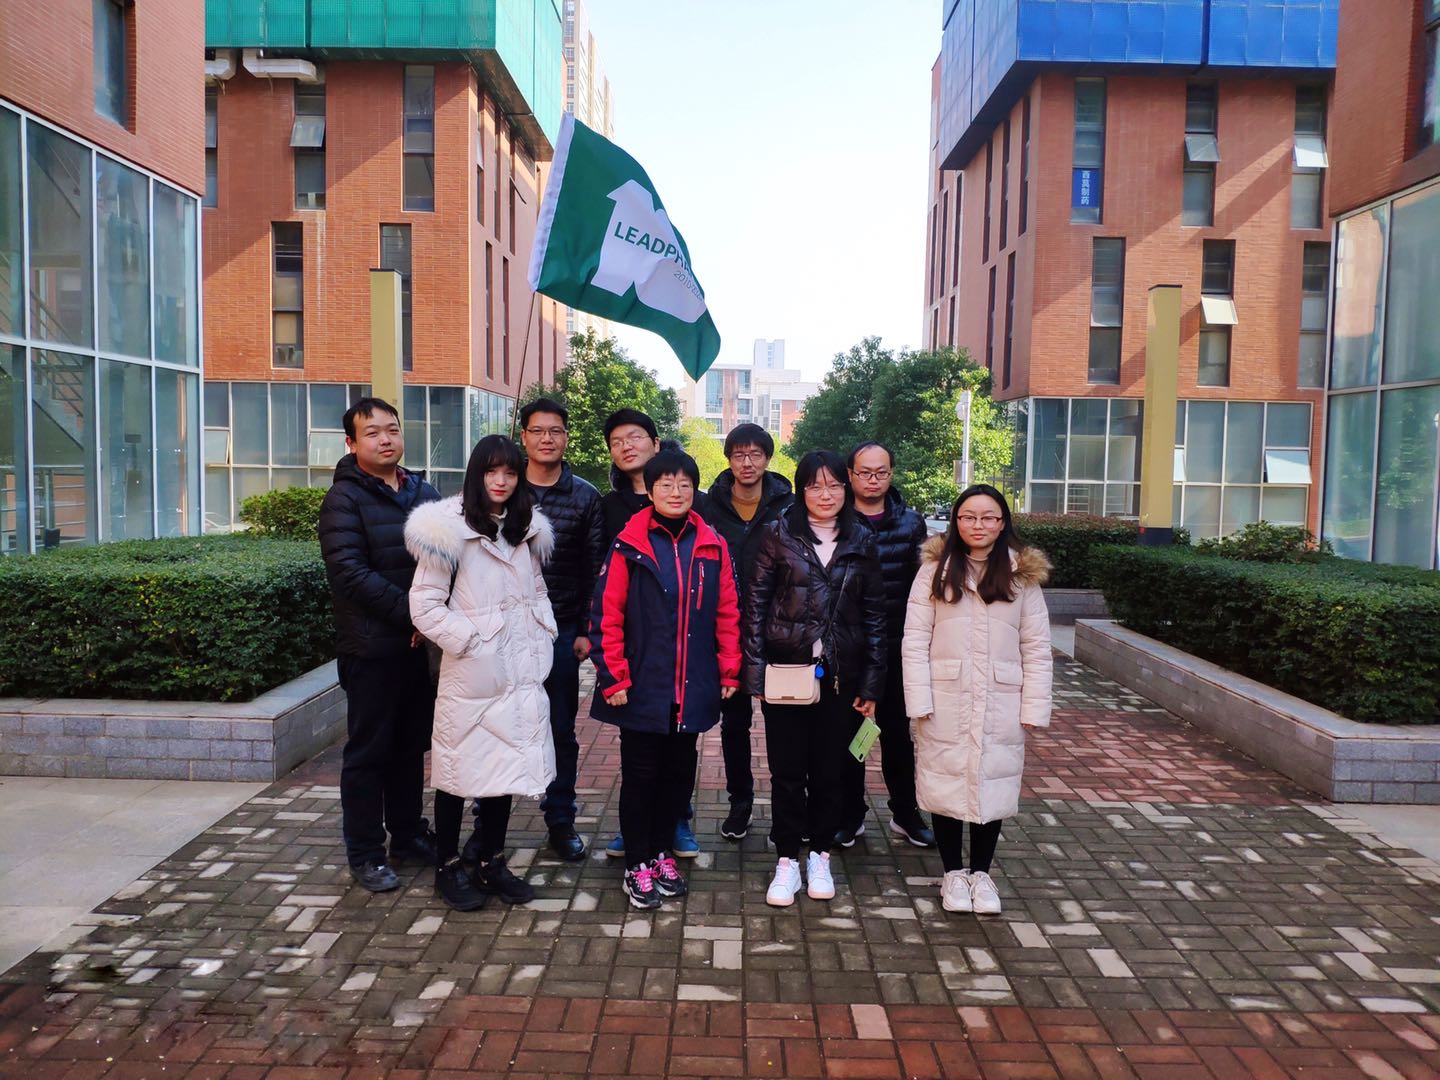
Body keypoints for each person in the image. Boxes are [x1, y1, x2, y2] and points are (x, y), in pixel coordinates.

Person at [405, 436, 557, 910]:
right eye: (492, 471)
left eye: (510, 473)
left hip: (518, 673)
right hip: (471, 677)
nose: (501, 481)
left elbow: (537, 591)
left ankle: (491, 861)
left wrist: (544, 632)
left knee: (503, 770)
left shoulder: (523, 528)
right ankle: (448, 866)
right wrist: (472, 642)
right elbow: (424, 606)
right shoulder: (447, 530)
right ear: (477, 474)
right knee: (457, 773)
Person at [589, 449, 742, 910]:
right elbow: (606, 615)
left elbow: (727, 612)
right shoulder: (629, 544)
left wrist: (729, 667)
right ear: (650, 491)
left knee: (677, 776)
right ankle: (636, 862)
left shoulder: (712, 545)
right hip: (641, 684)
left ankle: (660, 854)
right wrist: (613, 676)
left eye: (684, 484)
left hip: (692, 684)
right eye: (666, 484)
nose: (676, 492)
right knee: (640, 777)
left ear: (695, 490)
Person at [742, 450, 885, 907]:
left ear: (846, 488)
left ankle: (820, 855)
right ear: (801, 490)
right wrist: (755, 674)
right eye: (815, 486)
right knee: (786, 772)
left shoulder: (862, 539)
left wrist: (871, 684)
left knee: (830, 771)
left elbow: (875, 616)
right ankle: (787, 860)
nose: (826, 495)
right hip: (788, 672)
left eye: (834, 486)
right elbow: (755, 606)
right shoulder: (778, 534)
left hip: (841, 677)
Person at [901, 484, 1053, 916]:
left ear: (1002, 523)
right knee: (946, 782)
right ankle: (953, 873)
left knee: (993, 782)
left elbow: (1037, 646)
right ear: (956, 521)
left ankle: (982, 874)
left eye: (988, 517)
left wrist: (1034, 706)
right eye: (968, 517)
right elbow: (915, 640)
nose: (978, 525)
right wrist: (919, 699)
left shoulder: (1021, 575)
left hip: (1001, 697)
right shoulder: (934, 571)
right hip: (945, 695)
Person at [318, 397, 441, 892]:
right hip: (371, 649)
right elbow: (349, 573)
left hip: (418, 648)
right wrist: (415, 614)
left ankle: (408, 834)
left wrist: (432, 617)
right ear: (352, 443)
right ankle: (366, 851)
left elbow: (447, 558)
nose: (385, 439)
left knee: (410, 748)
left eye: (392, 429)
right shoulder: (344, 499)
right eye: (372, 433)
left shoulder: (423, 491)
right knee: (369, 753)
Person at [599, 410, 705, 859]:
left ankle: (673, 827)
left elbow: (720, 598)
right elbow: (605, 596)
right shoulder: (610, 510)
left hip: (685, 660)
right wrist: (610, 664)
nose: (627, 445)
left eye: (636, 437)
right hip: (638, 657)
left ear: (655, 443)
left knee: (679, 757)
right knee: (641, 762)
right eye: (617, 440)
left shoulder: (701, 520)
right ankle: (638, 841)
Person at [517, 397, 605, 862]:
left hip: (562, 629)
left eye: (555, 431)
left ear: (566, 437)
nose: (547, 439)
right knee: (501, 724)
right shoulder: (503, 487)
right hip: (506, 632)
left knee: (560, 730)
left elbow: (595, 569)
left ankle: (560, 820)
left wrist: (587, 630)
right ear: (524, 437)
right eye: (538, 430)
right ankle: (487, 820)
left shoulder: (586, 496)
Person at [700, 423, 793, 842]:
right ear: (729, 460)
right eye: (739, 454)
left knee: (782, 724)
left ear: (767, 458)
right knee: (734, 724)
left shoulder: (788, 506)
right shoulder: (710, 506)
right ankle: (740, 803)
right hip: (726, 632)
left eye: (755, 454)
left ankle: (787, 811)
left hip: (777, 632)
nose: (747, 462)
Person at [839, 442, 935, 849]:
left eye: (881, 472)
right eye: (865, 472)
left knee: (897, 735)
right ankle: (849, 814)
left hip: (896, 647)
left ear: (891, 474)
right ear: (850, 475)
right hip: (849, 648)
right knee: (848, 736)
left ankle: (905, 813)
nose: (873, 479)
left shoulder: (911, 524)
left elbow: (924, 588)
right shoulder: (835, 519)